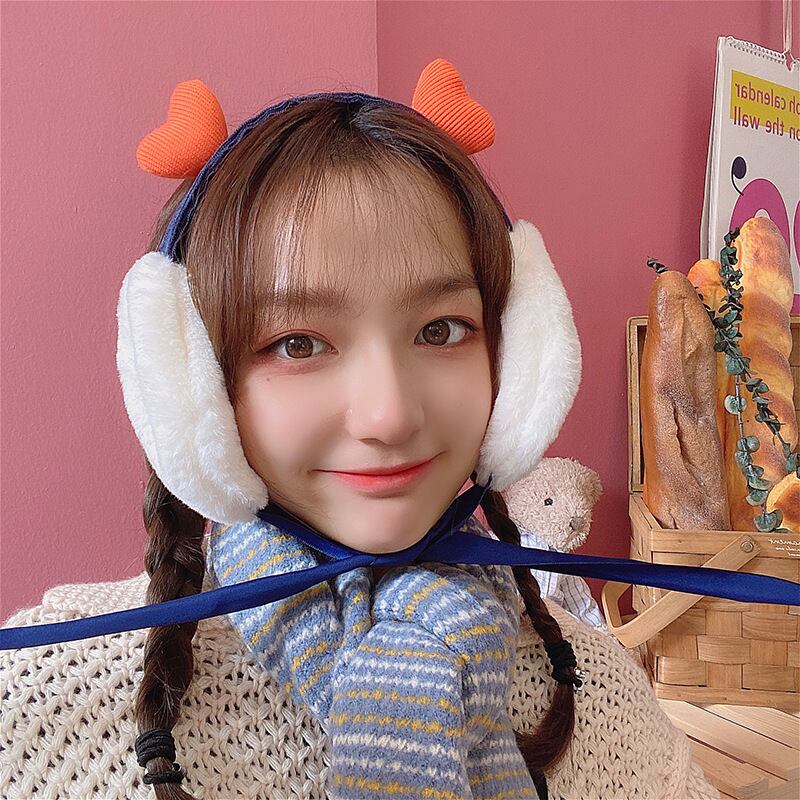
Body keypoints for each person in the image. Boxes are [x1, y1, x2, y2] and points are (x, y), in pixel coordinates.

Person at [0, 62, 719, 800]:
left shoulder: (606, 702)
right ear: (196, 387)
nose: (389, 416)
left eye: (441, 330)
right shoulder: (45, 710)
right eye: (298, 344)